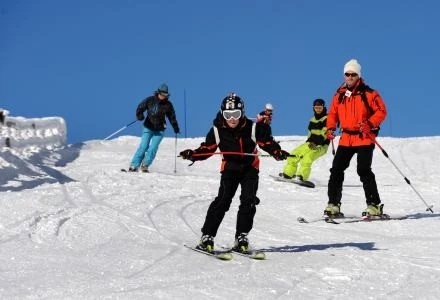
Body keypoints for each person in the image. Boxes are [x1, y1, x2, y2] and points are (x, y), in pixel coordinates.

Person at [179, 92, 289, 253]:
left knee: (248, 200)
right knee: (223, 200)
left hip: (250, 167)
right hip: (230, 167)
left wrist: (277, 152)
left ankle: (241, 237)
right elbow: (207, 149)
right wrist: (193, 154)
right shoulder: (217, 130)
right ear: (223, 113)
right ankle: (207, 237)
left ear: (242, 113)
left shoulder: (253, 127)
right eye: (228, 114)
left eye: (236, 114)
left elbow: (267, 142)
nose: (232, 119)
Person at [324, 59, 387, 217]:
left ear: (358, 76)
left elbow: (381, 111)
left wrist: (370, 123)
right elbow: (332, 114)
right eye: (347, 74)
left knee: (363, 169)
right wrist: (330, 128)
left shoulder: (369, 93)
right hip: (346, 138)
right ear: (344, 75)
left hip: (364, 137)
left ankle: (374, 205)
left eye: (353, 74)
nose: (350, 77)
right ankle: (333, 204)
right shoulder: (339, 95)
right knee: (336, 169)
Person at [128, 83, 180, 172]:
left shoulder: (168, 105)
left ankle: (145, 165)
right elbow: (140, 107)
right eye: (162, 94)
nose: (163, 96)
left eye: (165, 95)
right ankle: (134, 165)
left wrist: (175, 127)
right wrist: (139, 115)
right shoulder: (150, 100)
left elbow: (172, 117)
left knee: (153, 148)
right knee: (144, 146)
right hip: (148, 127)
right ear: (158, 92)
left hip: (159, 130)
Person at [280, 98, 329, 183]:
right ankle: (288, 173)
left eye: (320, 108)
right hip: (310, 143)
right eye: (316, 108)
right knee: (294, 154)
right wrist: (307, 144)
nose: (318, 110)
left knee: (307, 158)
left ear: (323, 107)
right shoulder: (312, 119)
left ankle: (302, 176)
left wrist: (317, 143)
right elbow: (309, 134)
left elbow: (324, 134)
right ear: (313, 108)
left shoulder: (327, 118)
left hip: (321, 145)